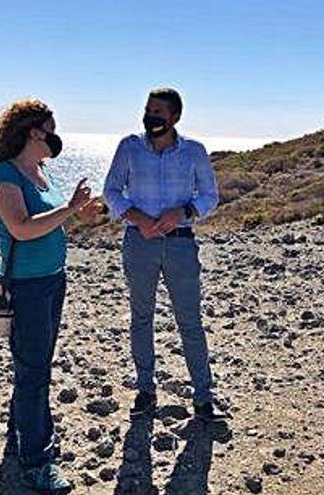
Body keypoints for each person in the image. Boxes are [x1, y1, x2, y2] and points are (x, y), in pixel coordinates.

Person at [0, 98, 95, 494]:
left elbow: (48, 223)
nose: (55, 134)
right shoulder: (6, 175)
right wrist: (68, 208)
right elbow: (20, 228)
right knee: (33, 369)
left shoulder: (37, 171)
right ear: (34, 131)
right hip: (28, 285)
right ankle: (36, 459)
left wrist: (74, 211)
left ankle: (21, 433)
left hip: (52, 280)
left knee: (36, 364)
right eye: (51, 127)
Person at [103, 87, 227, 422]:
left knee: (190, 321)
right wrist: (137, 218)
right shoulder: (129, 147)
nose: (151, 117)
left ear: (174, 117)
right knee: (141, 318)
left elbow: (210, 196)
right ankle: (146, 391)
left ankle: (203, 398)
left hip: (181, 244)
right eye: (148, 110)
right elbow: (111, 190)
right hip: (138, 243)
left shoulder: (195, 152)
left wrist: (183, 212)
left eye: (158, 112)